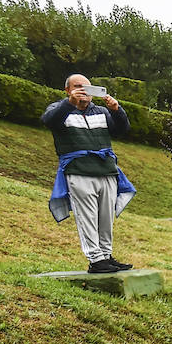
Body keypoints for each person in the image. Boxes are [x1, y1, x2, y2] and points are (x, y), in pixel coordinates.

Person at [42, 73, 136, 274]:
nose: (83, 91)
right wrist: (70, 103)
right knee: (87, 217)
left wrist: (117, 111)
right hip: (79, 171)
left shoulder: (101, 111)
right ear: (67, 90)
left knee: (105, 217)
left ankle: (106, 255)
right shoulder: (59, 109)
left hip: (107, 171)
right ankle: (95, 259)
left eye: (87, 87)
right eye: (77, 86)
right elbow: (50, 121)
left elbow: (121, 131)